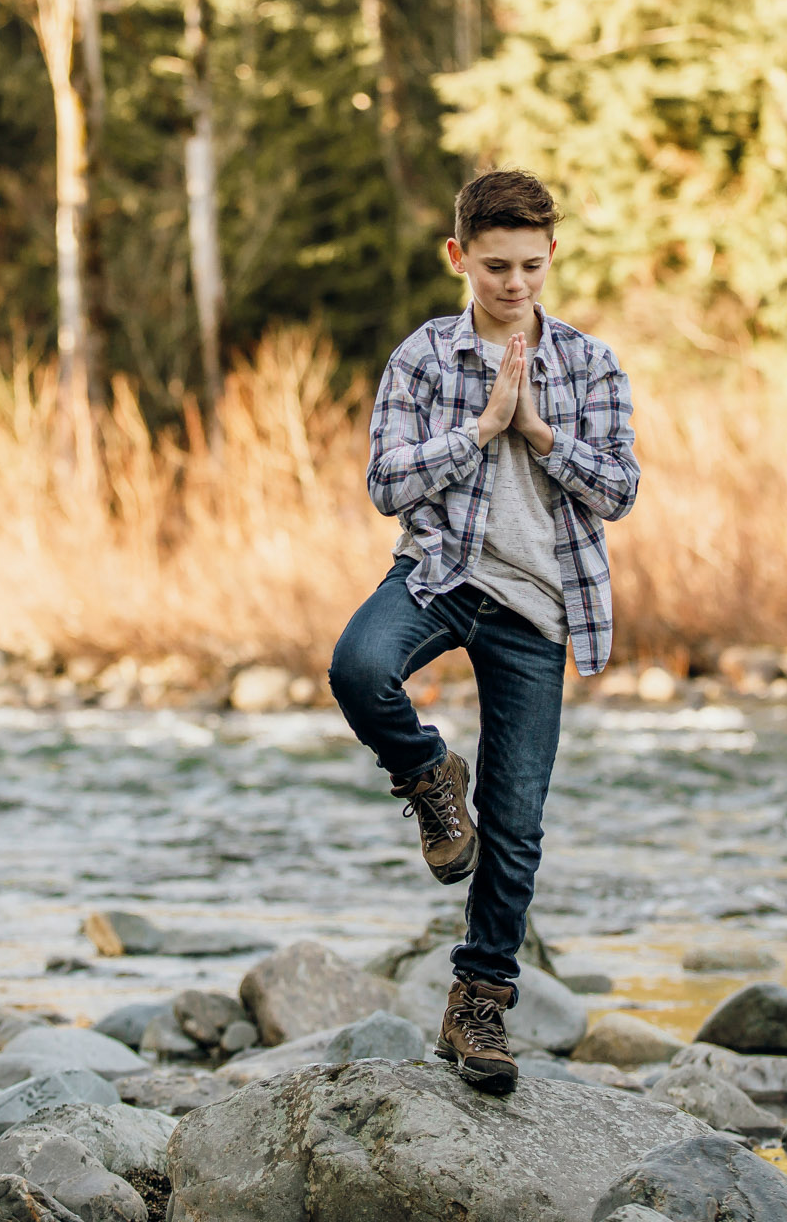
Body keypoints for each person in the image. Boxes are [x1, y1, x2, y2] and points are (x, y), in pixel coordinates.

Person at [327, 169, 640, 1092]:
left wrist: (538, 432)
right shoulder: (422, 358)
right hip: (442, 573)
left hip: (539, 607)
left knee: (517, 823)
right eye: (496, 266)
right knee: (358, 666)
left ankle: (478, 1009)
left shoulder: (589, 363)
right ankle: (428, 776)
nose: (514, 285)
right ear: (459, 257)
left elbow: (620, 489)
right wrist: (478, 430)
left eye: (531, 267)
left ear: (552, 259)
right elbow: (386, 484)